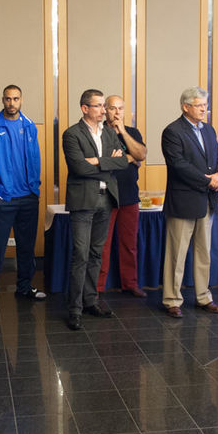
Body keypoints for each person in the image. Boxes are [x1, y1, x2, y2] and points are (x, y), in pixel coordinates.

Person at [62, 89, 127, 330]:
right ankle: (75, 309)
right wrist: (107, 163)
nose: (104, 110)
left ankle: (91, 301)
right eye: (99, 106)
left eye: (103, 106)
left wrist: (97, 161)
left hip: (106, 199)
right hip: (83, 201)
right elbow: (78, 167)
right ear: (85, 108)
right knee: (81, 255)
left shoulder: (109, 133)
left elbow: (123, 161)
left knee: (97, 253)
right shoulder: (71, 134)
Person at [160, 87, 218, 318]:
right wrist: (207, 180)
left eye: (205, 105)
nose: (204, 109)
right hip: (184, 201)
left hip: (207, 201)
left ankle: (203, 297)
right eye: (199, 105)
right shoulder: (172, 131)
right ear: (185, 107)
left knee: (203, 253)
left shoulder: (209, 130)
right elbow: (178, 165)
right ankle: (172, 299)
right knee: (177, 254)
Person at [0, 84, 47, 307]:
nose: (12, 103)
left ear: (21, 100)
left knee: (26, 245)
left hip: (28, 195)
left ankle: (25, 286)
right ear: (2, 100)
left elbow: (35, 158)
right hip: (4, 196)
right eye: (8, 99)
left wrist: (35, 186)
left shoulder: (29, 126)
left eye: (16, 99)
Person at [97, 95, 148, 298]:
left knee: (129, 244)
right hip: (105, 195)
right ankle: (98, 287)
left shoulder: (132, 132)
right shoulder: (97, 132)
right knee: (102, 244)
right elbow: (102, 161)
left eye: (121, 108)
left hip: (129, 196)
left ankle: (130, 283)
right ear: (104, 110)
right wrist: (129, 158)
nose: (117, 113)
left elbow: (141, 155)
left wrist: (124, 132)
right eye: (112, 108)